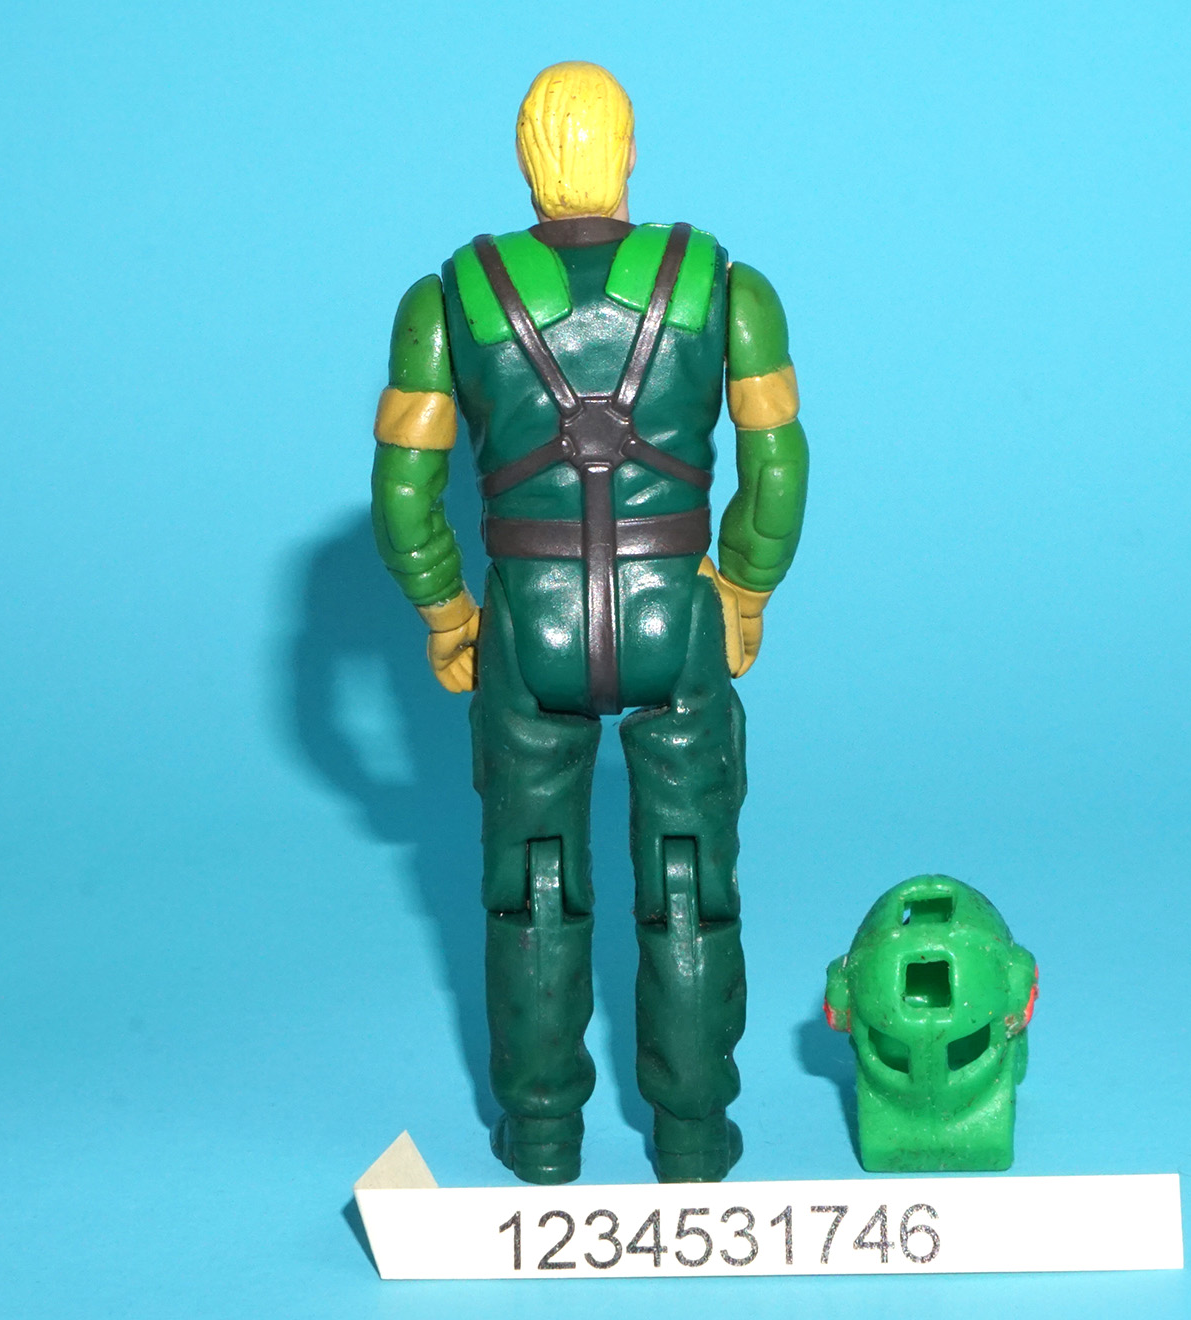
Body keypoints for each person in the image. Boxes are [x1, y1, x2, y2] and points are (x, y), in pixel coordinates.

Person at [370, 61, 809, 1184]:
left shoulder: (444, 301)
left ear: (528, 162)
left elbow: (404, 495)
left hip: (531, 623)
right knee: (690, 881)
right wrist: (745, 587)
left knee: (533, 884)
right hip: (674, 615)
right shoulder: (729, 288)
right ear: (628, 154)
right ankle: (695, 1139)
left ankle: (542, 1139)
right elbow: (778, 466)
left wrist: (445, 611)